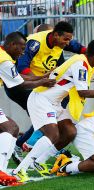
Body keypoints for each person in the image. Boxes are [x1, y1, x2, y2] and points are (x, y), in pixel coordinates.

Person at [12, 39, 94, 182]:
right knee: (53, 134)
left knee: (70, 131)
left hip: (54, 103)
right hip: (41, 100)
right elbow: (82, 92)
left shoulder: (90, 66)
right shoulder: (80, 64)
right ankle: (20, 170)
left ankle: (39, 161)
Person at [4, 22, 84, 164]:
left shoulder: (61, 43)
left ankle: (39, 144)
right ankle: (23, 145)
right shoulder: (35, 43)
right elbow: (22, 68)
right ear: (54, 35)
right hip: (22, 85)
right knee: (46, 115)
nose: (68, 43)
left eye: (69, 39)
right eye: (65, 39)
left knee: (53, 111)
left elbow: (76, 47)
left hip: (40, 85)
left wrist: (89, 53)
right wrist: (40, 82)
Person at [0, 32, 55, 186]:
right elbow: (20, 84)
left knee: (12, 128)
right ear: (12, 45)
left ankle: (2, 171)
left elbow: (18, 76)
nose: (23, 52)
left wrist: (42, 77)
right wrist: (42, 82)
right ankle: (1, 172)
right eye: (21, 48)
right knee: (10, 128)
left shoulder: (3, 57)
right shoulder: (4, 61)